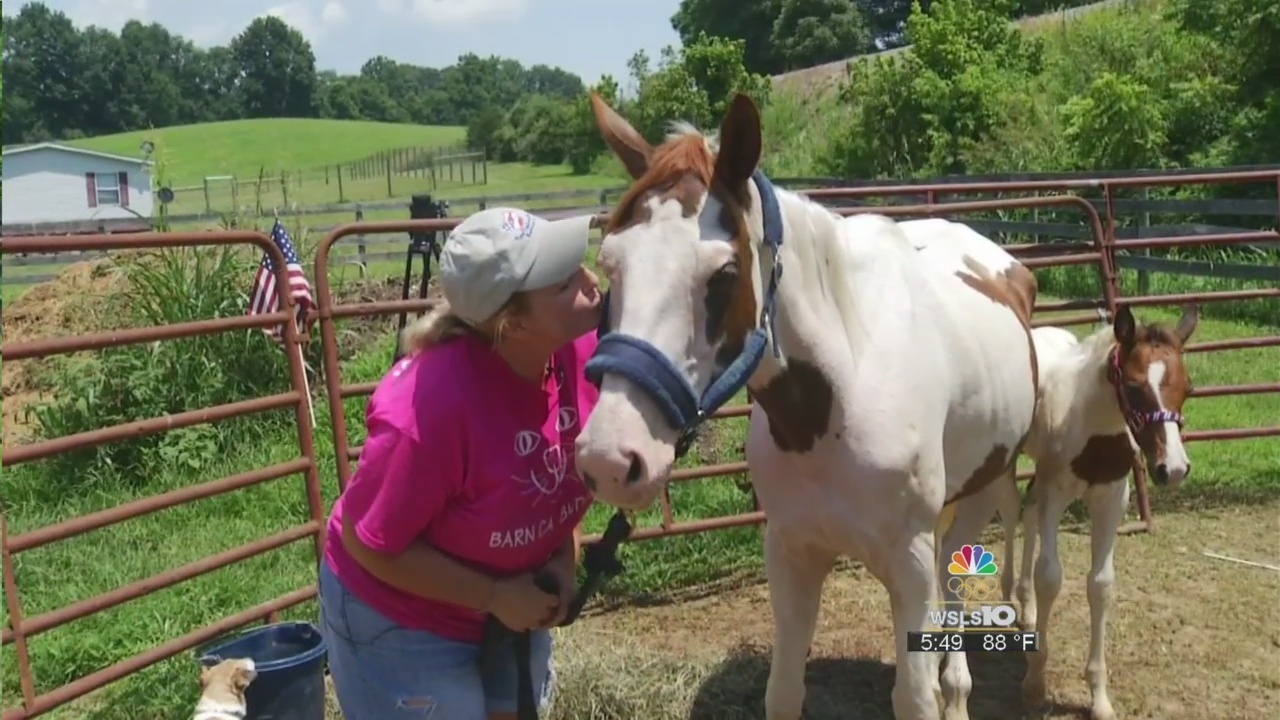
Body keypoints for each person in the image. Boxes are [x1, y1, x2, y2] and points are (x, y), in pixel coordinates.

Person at [318, 206, 605, 720]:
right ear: (512, 322)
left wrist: (562, 557)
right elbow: (369, 542)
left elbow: (551, 475)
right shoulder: (430, 413)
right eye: (563, 282)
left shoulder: (582, 351)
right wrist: (493, 595)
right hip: (403, 617)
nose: (592, 282)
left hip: (515, 595)